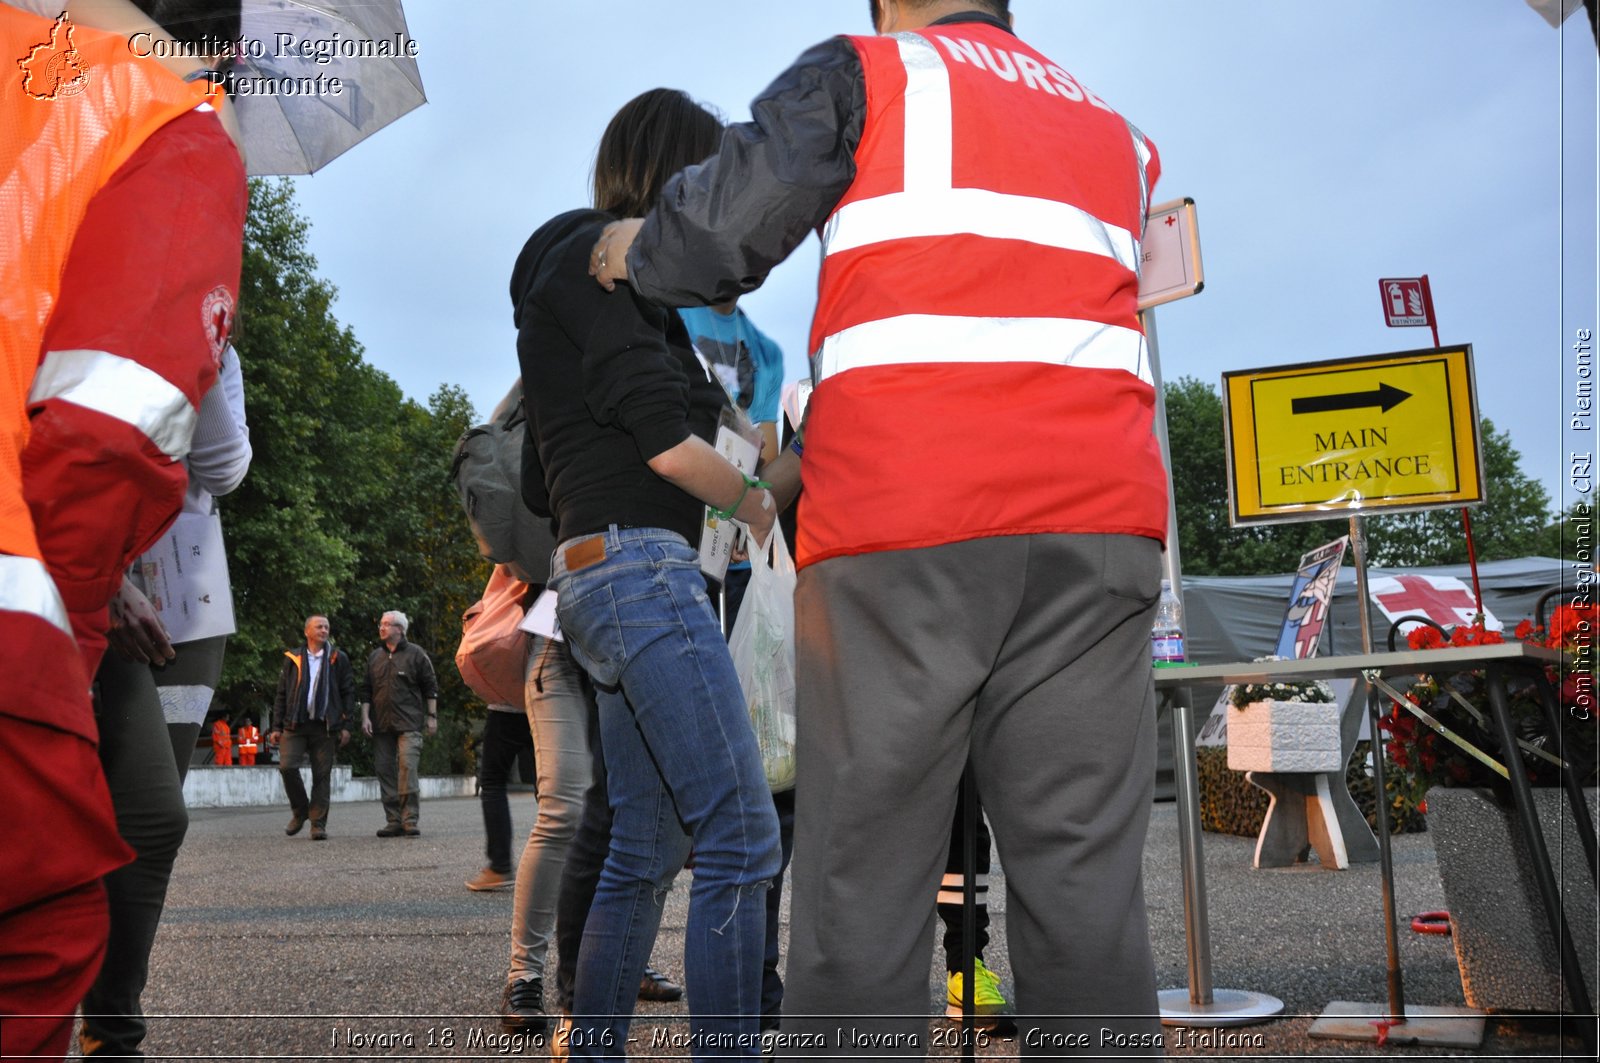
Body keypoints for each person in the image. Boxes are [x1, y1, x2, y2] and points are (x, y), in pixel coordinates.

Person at [590, 0, 1167, 1052]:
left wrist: (634, 245)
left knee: (864, 879)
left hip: (910, 524)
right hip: (1101, 528)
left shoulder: (865, 74)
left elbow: (712, 237)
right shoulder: (1109, 126)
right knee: (1082, 885)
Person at [515, 87, 786, 1058]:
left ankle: (593, 1045)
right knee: (742, 839)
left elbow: (539, 479)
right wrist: (750, 499)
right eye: (712, 183)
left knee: (646, 843)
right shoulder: (595, 259)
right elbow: (673, 452)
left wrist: (770, 444)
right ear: (678, 178)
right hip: (641, 572)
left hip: (597, 575)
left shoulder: (617, 297)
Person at [0, 0, 247, 1051]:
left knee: (133, 818)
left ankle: (118, 1016)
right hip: (46, 575)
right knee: (43, 906)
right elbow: (133, 439)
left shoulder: (43, 96)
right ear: (232, 50)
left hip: (71, 569)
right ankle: (114, 1018)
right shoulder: (170, 127)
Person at [78, 340, 251, 1058]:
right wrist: (99, 574)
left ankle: (107, 1027)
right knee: (149, 813)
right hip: (87, 575)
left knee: (140, 832)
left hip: (188, 596)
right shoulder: (70, 299)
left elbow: (225, 468)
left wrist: (202, 344)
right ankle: (105, 1030)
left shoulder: (210, 336)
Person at [271, 615, 356, 840]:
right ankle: (300, 812)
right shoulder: (293, 658)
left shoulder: (338, 658)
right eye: (319, 627)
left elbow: (348, 692)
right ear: (307, 632)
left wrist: (347, 725)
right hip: (294, 723)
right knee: (287, 767)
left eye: (327, 627)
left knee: (321, 775)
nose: (324, 630)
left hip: (325, 726)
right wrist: (276, 726)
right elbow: (281, 693)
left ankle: (318, 824)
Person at [360, 610, 439, 837]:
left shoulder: (416, 654)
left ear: (400, 629)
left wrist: (432, 717)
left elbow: (430, 687)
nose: (381, 628)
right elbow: (366, 689)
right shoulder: (375, 657)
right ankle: (393, 820)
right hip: (380, 724)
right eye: (381, 624)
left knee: (407, 769)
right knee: (384, 770)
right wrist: (365, 717)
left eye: (387, 624)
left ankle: (409, 819)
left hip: (409, 723)